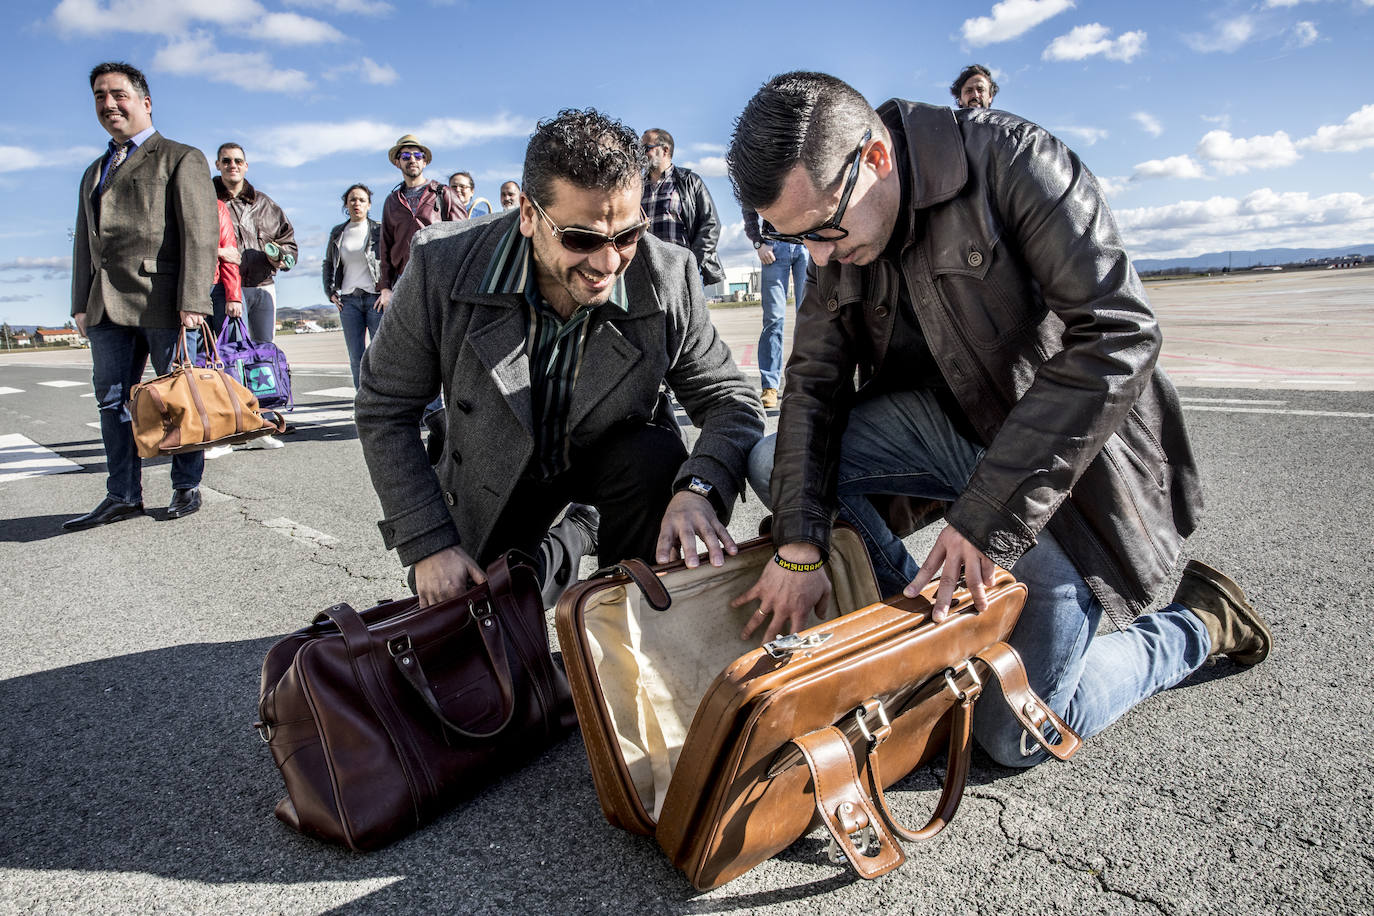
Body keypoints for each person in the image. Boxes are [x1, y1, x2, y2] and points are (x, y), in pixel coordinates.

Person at [726, 71, 1272, 768]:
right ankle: (920, 642)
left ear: (877, 159)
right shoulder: (837, 233)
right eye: (798, 241)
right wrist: (798, 544)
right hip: (943, 438)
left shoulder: (1013, 159)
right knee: (777, 463)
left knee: (1014, 733)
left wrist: (985, 521)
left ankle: (1199, 624)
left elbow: (1120, 334)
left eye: (827, 230)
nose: (822, 257)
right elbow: (810, 387)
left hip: (1063, 481)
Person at [355, 108, 764, 609]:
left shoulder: (667, 273)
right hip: (495, 466)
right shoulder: (442, 266)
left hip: (613, 459)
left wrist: (700, 488)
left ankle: (627, 619)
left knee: (654, 461)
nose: (608, 262)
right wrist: (429, 543)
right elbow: (384, 407)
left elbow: (730, 397)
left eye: (627, 235)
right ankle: (572, 537)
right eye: (581, 239)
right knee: (485, 621)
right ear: (528, 214)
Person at [65, 61, 218, 530]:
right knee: (111, 402)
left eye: (117, 94)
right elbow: (82, 242)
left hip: (162, 299)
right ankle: (122, 495)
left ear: (144, 102)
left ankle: (185, 485)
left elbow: (201, 232)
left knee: (177, 399)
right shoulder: (94, 170)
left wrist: (195, 297)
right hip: (105, 304)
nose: (108, 104)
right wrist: (78, 302)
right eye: (99, 96)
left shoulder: (179, 156)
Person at [215, 141, 296, 450]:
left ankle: (259, 425)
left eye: (238, 160)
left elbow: (289, 244)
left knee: (260, 357)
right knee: (224, 357)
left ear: (246, 166)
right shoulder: (208, 200)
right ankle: (227, 429)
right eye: (226, 161)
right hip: (222, 289)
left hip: (262, 287)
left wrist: (281, 257)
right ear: (218, 165)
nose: (232, 165)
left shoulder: (265, 204)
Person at [379, 133, 465, 312]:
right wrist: (385, 287)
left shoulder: (443, 193)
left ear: (424, 162)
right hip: (404, 280)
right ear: (397, 163)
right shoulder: (392, 201)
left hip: (439, 278)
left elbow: (464, 237)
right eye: (405, 156)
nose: (412, 159)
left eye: (418, 156)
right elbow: (385, 247)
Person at [741, 205, 808, 410]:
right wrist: (758, 243)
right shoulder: (761, 172)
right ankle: (770, 385)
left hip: (805, 244)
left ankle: (804, 382)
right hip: (773, 246)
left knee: (809, 316)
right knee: (774, 319)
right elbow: (748, 207)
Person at [640, 128, 724, 287]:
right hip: (646, 273)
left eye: (646, 148)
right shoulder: (636, 186)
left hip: (682, 271)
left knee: (690, 313)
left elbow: (711, 225)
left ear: (665, 150)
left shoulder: (690, 181)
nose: (641, 154)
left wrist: (692, 261)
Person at [323, 183, 382, 389]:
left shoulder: (379, 230)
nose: (357, 203)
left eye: (362, 200)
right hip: (349, 301)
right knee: (356, 357)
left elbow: (389, 262)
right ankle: (362, 402)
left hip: (375, 299)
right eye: (352, 200)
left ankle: (382, 401)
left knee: (379, 355)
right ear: (346, 205)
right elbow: (329, 263)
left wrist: (386, 289)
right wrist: (329, 291)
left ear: (369, 205)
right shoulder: (338, 232)